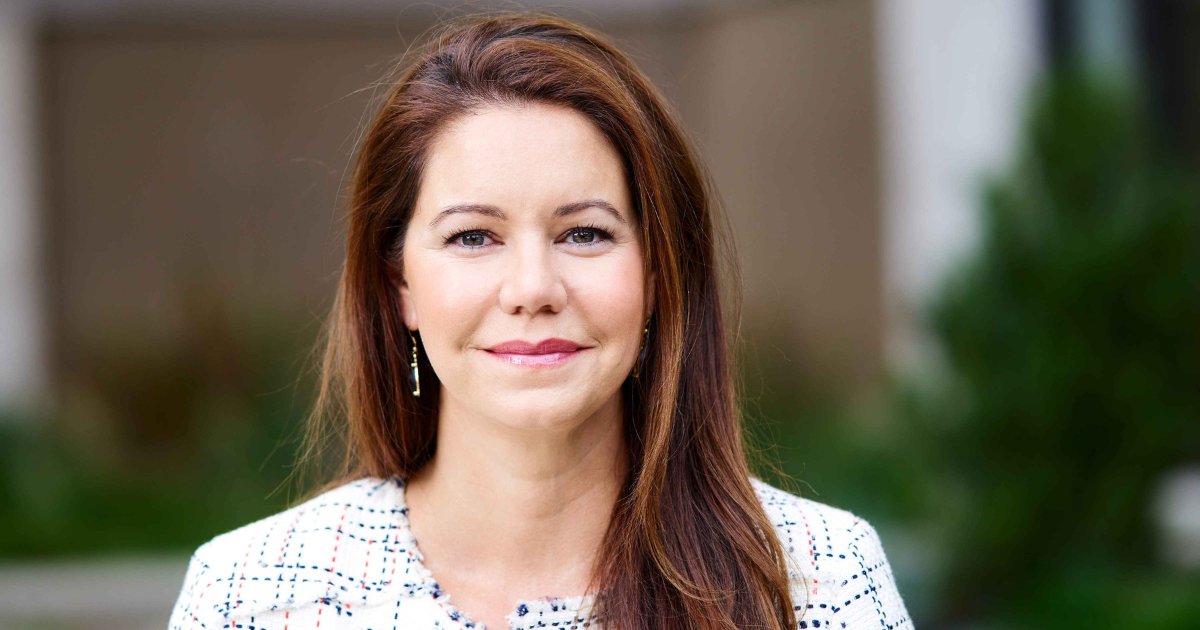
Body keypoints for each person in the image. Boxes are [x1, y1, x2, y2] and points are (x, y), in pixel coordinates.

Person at [168, 12, 911, 630]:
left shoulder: (817, 581)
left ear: (658, 277)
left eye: (584, 233)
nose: (532, 288)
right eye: (473, 237)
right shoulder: (257, 597)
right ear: (401, 287)